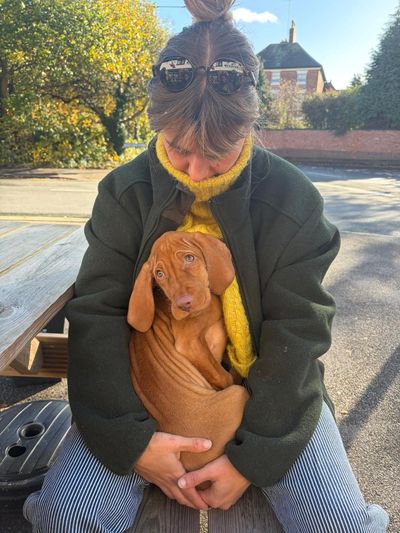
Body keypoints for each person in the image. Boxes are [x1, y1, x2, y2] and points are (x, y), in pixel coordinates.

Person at [24, 1, 389, 531]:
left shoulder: (292, 198)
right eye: (177, 148)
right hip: (140, 395)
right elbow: (97, 315)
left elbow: (299, 331)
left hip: (269, 399)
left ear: (250, 123)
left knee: (341, 524)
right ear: (157, 123)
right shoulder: (124, 192)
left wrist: (251, 457)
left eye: (217, 151)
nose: (194, 169)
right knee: (67, 519)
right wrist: (132, 440)